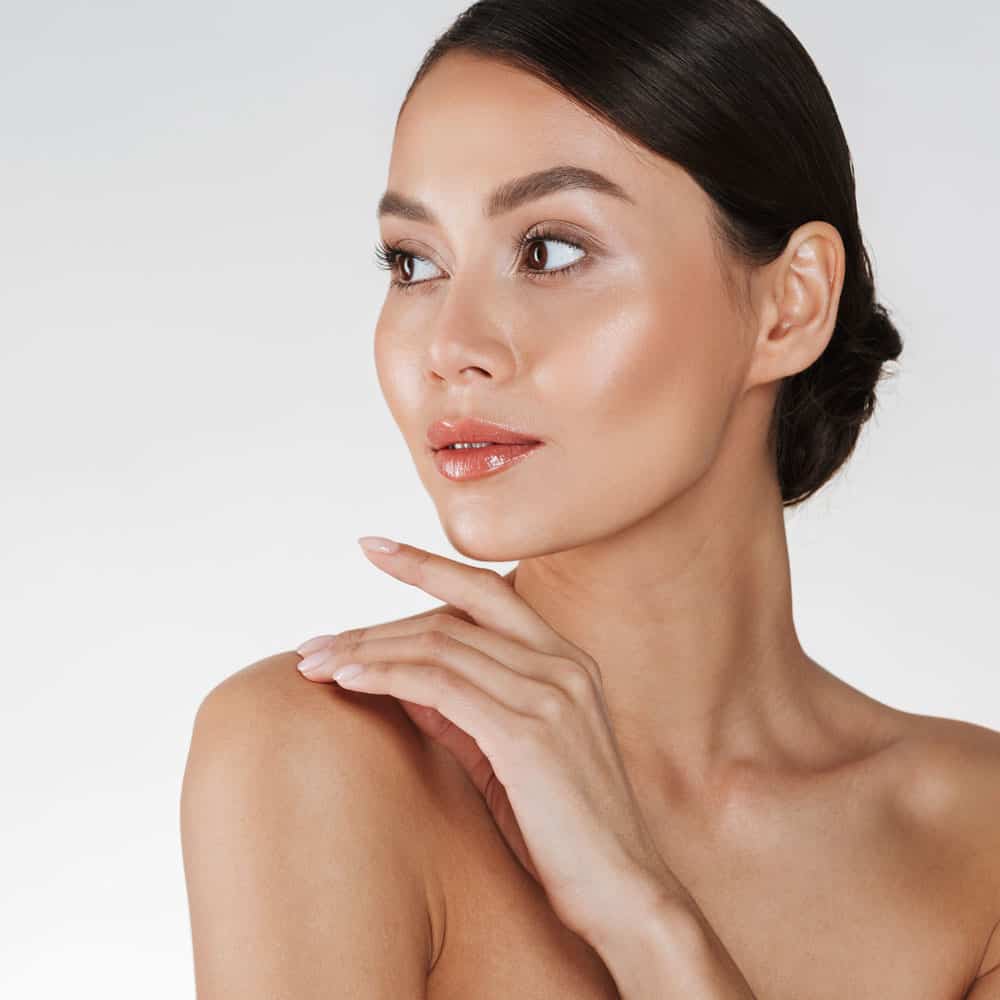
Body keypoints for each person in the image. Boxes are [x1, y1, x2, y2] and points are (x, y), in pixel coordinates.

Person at [180, 2, 1000, 996]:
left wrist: (640, 910)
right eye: (413, 262)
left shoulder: (980, 841)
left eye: (550, 250)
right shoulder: (317, 755)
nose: (451, 346)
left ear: (789, 305)